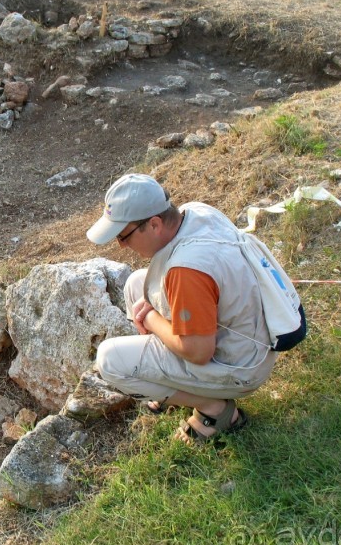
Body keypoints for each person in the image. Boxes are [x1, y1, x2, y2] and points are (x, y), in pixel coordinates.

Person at [87, 173, 278, 443]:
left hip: (240, 366)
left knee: (110, 360)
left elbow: (198, 352)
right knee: (136, 283)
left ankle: (215, 409)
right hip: (249, 336)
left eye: (123, 236)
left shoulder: (186, 270)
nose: (122, 246)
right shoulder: (197, 213)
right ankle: (175, 382)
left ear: (154, 224)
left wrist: (151, 318)